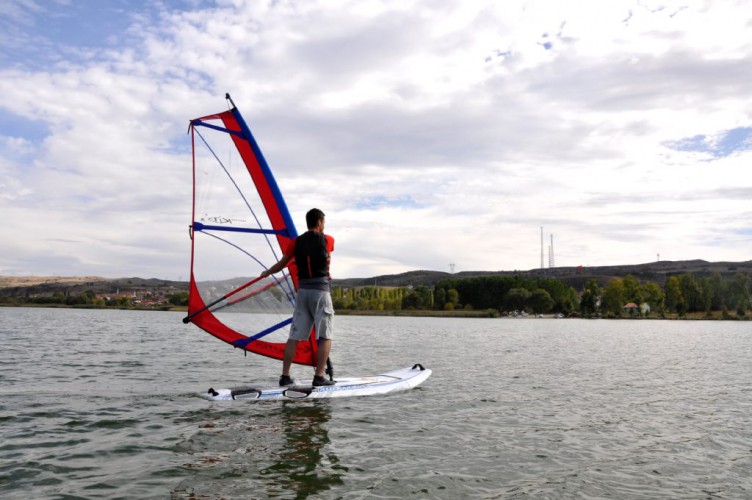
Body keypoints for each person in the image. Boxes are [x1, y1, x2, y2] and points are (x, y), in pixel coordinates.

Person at [260, 208, 336, 387]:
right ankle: (319, 377)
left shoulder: (296, 242)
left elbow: (282, 264)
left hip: (302, 293)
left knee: (294, 337)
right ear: (319, 222)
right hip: (320, 292)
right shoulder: (328, 239)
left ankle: (285, 376)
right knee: (325, 336)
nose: (324, 225)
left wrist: (268, 272)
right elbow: (325, 257)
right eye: (323, 222)